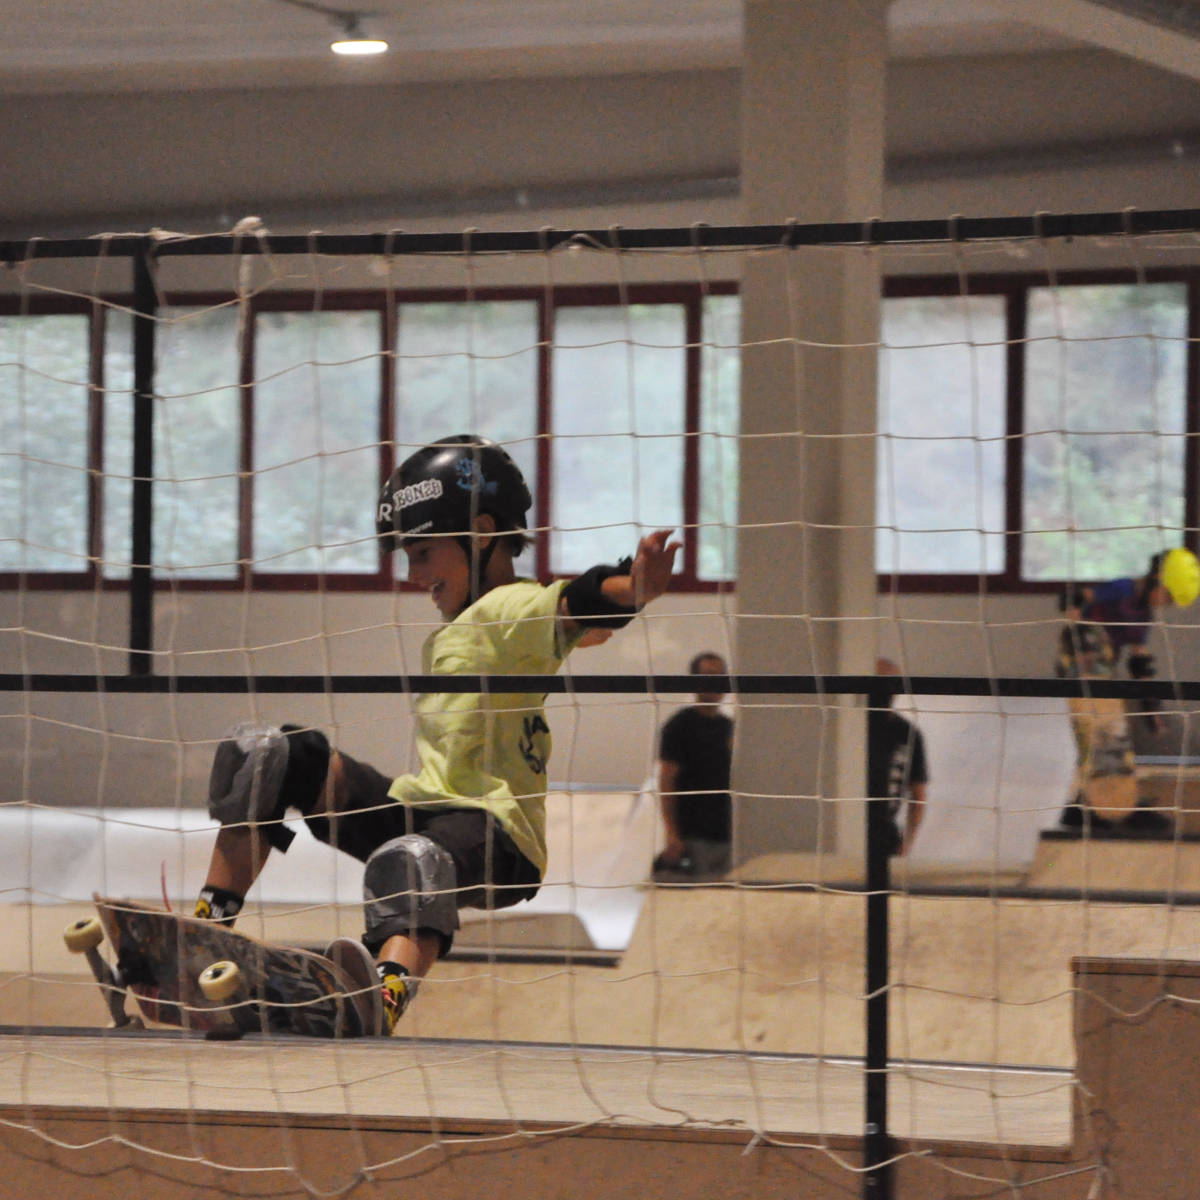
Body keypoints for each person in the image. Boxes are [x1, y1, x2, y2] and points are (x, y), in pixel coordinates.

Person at [195, 434, 680, 1034]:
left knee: (413, 860)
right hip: (422, 809)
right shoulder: (485, 625)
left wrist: (635, 587)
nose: (412, 572)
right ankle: (206, 935)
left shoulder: (511, 607)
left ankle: (384, 995)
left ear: (481, 534)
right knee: (268, 755)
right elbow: (574, 630)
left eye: (422, 553)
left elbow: (580, 601)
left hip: (498, 840)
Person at [1056, 547, 1199, 828]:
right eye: (1168, 595)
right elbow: (1073, 597)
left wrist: (1151, 710)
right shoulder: (1123, 589)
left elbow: (1140, 662)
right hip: (1082, 657)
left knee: (1109, 733)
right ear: (1157, 578)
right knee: (1106, 733)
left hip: (1103, 668)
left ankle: (1096, 804)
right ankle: (1110, 808)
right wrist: (1074, 611)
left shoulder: (1143, 614)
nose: (1164, 604)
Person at [651, 652, 734, 879]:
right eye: (708, 675)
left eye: (720, 676)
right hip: (694, 838)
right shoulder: (679, 726)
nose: (715, 682)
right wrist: (672, 834)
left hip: (729, 837)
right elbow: (667, 781)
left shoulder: (731, 727)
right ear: (694, 680)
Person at [866, 658, 928, 857]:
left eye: (890, 683)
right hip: (849, 833)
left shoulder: (907, 732)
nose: (884, 691)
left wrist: (907, 843)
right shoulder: (849, 728)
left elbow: (918, 794)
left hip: (886, 839)